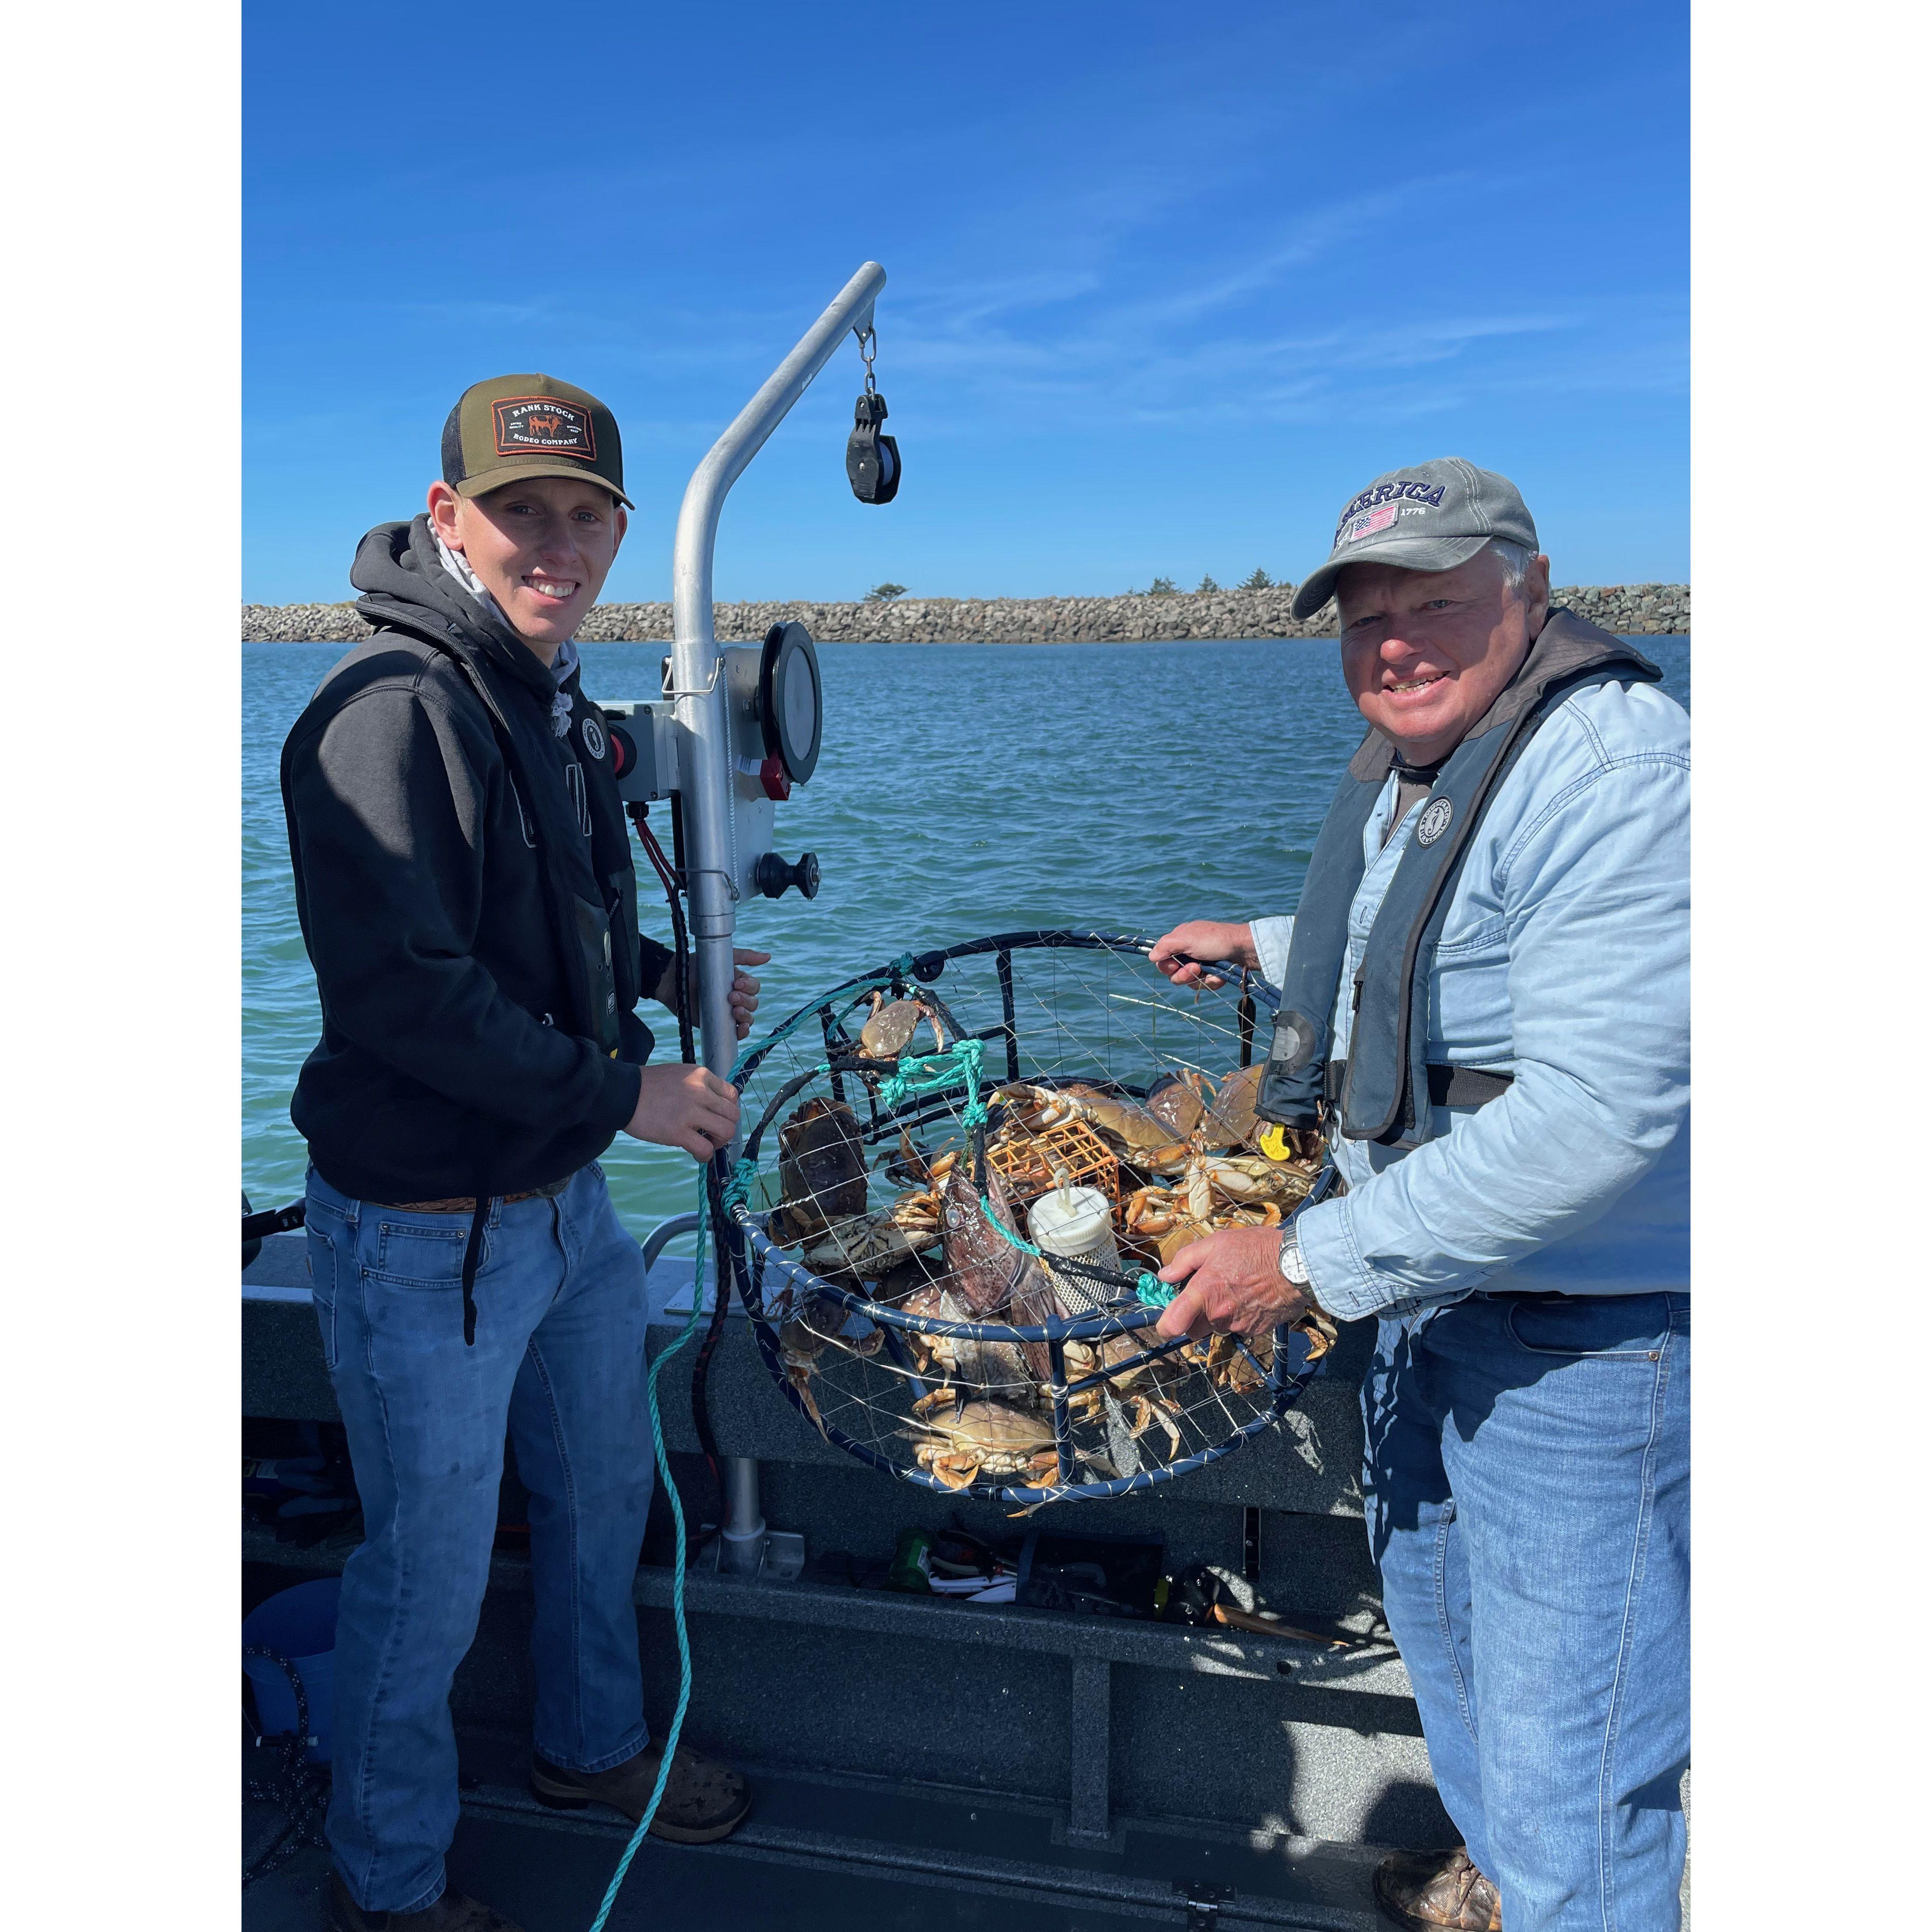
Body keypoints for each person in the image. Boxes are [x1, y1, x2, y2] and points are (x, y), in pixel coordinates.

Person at [1149, 459, 1689, 1932]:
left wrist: (1311, 1259)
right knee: (1452, 1670)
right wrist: (1267, 943)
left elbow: (1604, 1112)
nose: (1394, 640)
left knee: (1578, 1768)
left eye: (1437, 602)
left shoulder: (1618, 768)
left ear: (1530, 588)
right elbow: (1438, 941)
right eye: (1364, 615)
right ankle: (1498, 1886)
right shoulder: (1430, 761)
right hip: (1434, 1312)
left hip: (1587, 1348)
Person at [281, 374, 768, 1932]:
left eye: (583, 514)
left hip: (560, 1210)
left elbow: (533, 923)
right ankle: (391, 1881)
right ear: (448, 520)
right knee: (420, 1582)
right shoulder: (388, 714)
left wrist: (652, 983)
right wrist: (625, 1094)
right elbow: (402, 989)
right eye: (518, 513)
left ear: (621, 530)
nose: (554, 542)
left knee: (604, 1486)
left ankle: (590, 1751)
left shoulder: (537, 688)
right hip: (431, 1231)